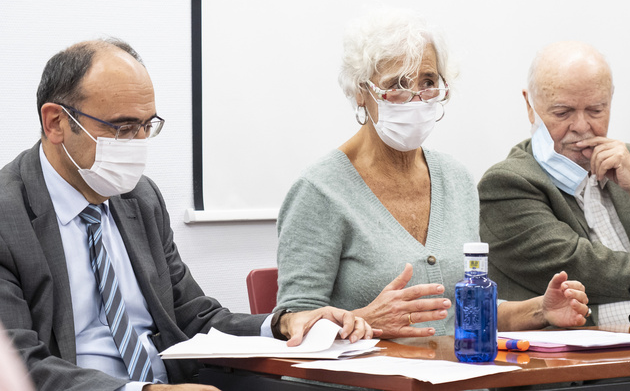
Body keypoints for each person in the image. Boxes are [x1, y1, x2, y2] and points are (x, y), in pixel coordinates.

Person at [0, 39, 374, 391]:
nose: (138, 143)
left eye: (147, 126)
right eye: (123, 128)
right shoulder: (7, 215)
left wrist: (282, 323)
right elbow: (18, 363)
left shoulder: (139, 197)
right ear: (55, 123)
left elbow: (193, 315)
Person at [275, 9, 590, 338]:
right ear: (360, 91)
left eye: (427, 82)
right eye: (396, 85)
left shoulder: (456, 179)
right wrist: (366, 321)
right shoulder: (320, 190)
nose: (415, 99)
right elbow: (294, 321)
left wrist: (542, 309)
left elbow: (465, 311)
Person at [478, 40, 630, 326]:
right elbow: (578, 266)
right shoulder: (506, 184)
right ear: (530, 106)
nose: (581, 126)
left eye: (596, 110)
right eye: (563, 112)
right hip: (574, 357)